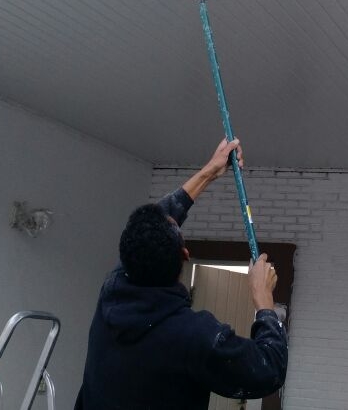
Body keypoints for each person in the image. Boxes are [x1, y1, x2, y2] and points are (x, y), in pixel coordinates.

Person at [74, 138, 287, 409]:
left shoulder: (111, 295)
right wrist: (264, 303)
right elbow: (268, 370)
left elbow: (154, 219)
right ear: (185, 256)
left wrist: (210, 171)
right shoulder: (195, 336)